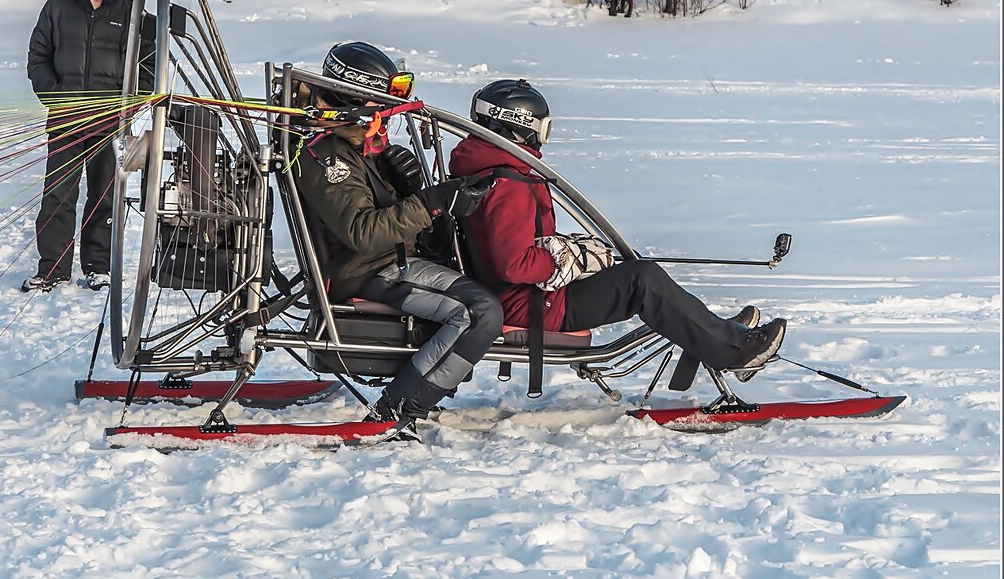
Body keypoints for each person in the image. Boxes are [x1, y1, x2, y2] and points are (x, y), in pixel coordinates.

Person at [448, 78, 787, 383]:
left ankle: (717, 332)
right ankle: (734, 350)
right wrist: (570, 261)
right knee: (641, 281)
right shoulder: (508, 182)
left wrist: (572, 251)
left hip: (530, 294)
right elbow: (514, 264)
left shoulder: (490, 170)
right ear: (520, 126)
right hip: (534, 303)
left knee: (634, 274)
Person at [292, 41, 503, 430]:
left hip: (389, 261)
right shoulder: (327, 157)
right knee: (479, 313)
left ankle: (416, 390)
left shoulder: (353, 149)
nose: (384, 121)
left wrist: (412, 190)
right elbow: (363, 232)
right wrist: (428, 202)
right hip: (370, 269)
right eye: (380, 109)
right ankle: (401, 406)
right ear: (353, 99)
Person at [24, 0, 153, 293]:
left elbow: (150, 63)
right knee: (58, 194)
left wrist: (130, 104)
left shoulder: (131, 12)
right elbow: (38, 58)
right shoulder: (58, 7)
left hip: (110, 123)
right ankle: (52, 268)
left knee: (104, 195)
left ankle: (98, 266)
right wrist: (56, 96)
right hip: (65, 121)